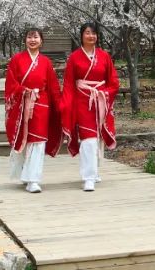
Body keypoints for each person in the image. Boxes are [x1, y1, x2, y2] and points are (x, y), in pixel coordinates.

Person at [61, 22, 120, 191]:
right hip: (82, 101)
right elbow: (69, 83)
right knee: (88, 138)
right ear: (81, 35)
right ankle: (88, 177)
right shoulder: (74, 57)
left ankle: (94, 171)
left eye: (94, 33)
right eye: (87, 33)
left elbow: (113, 81)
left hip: (100, 100)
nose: (91, 36)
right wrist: (66, 102)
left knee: (98, 137)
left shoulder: (104, 56)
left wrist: (106, 93)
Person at [4, 28, 63, 193]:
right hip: (22, 104)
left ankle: (33, 180)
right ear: (25, 40)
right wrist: (24, 91)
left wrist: (59, 106)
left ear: (41, 41)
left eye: (36, 37)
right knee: (25, 139)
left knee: (38, 141)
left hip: (41, 103)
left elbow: (53, 86)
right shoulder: (16, 60)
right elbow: (10, 83)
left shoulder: (46, 62)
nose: (32, 40)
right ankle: (24, 172)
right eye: (29, 37)